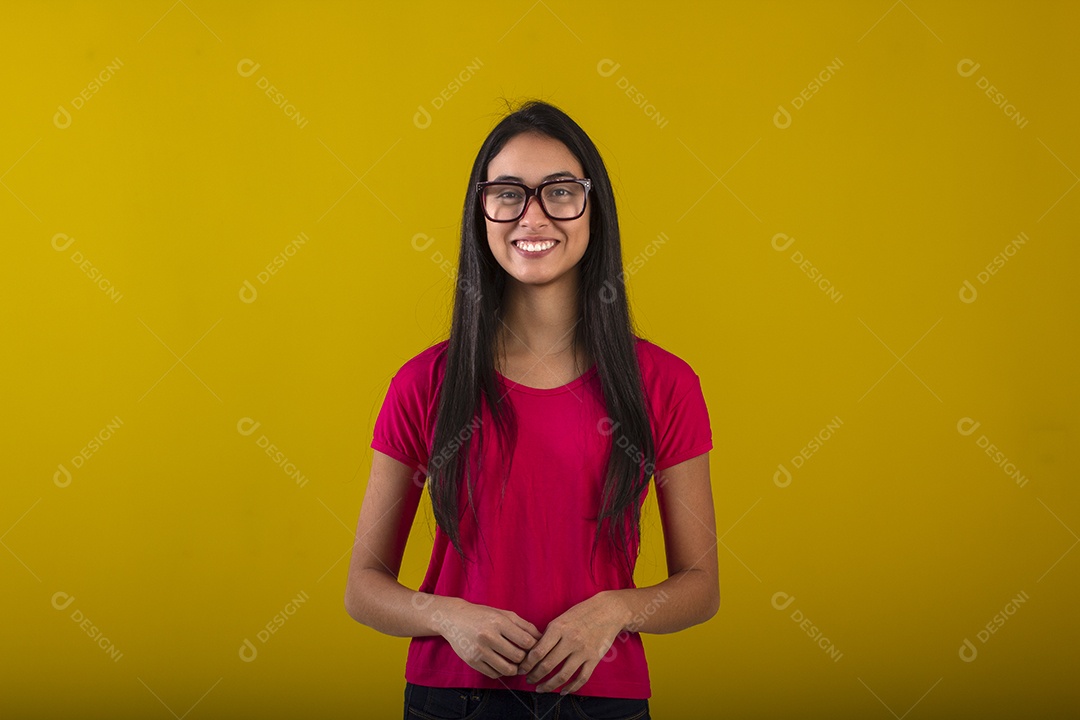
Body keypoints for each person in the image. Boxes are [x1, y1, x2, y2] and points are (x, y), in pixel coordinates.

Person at [345, 99, 718, 720]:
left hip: (603, 701)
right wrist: (446, 616)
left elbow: (700, 588)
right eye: (509, 194)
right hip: (451, 699)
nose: (533, 215)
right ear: (482, 211)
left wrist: (617, 609)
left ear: (594, 208)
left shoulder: (664, 383)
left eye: (560, 192)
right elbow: (363, 586)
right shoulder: (425, 383)